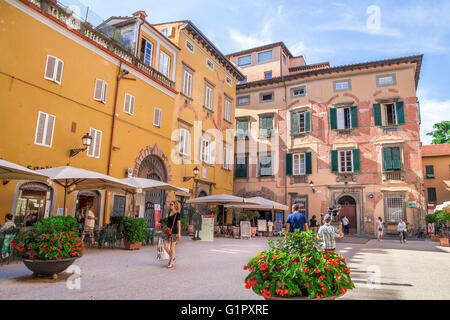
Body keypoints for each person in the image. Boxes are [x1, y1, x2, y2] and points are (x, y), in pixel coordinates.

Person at [163, 201, 181, 269]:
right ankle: (172, 257)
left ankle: (171, 262)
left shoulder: (177, 214)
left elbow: (179, 224)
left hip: (174, 232)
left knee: (172, 247)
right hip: (168, 231)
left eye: (172, 204)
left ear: (175, 205)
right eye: (170, 204)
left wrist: (179, 233)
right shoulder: (169, 213)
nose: (170, 205)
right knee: (165, 246)